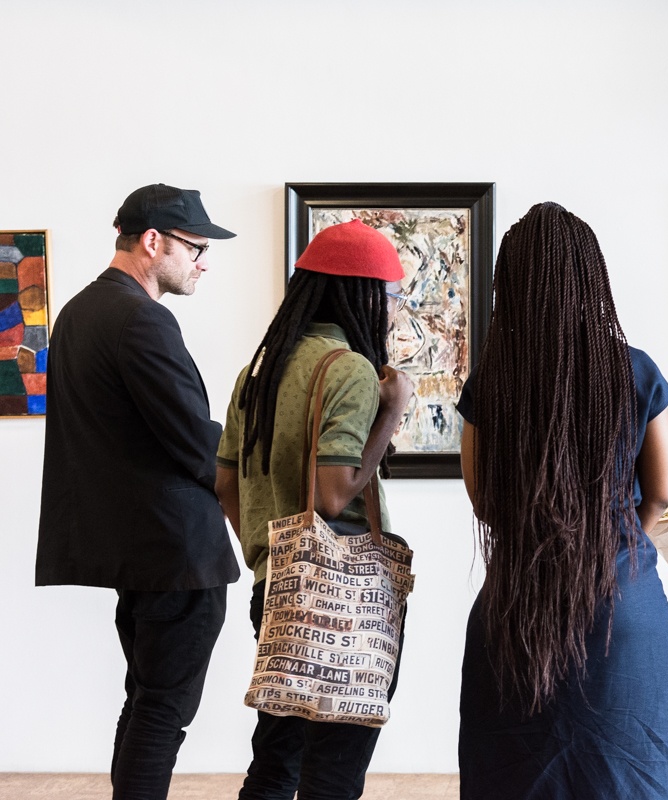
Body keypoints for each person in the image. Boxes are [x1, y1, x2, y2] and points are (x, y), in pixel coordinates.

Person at [456, 202, 668, 798]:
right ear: (591, 277)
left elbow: (483, 502)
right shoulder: (633, 372)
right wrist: (616, 532)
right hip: (621, 603)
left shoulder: (491, 381)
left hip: (517, 607)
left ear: (511, 284)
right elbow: (661, 491)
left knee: (511, 773)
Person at [35, 184, 240, 799]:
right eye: (196, 247)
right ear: (153, 241)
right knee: (161, 714)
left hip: (138, 554)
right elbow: (194, 441)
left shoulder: (79, 311)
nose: (204, 262)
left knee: (146, 704)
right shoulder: (141, 318)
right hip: (175, 555)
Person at [214, 219, 414, 799]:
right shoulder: (349, 368)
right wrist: (393, 411)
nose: (394, 309)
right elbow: (333, 493)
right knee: (334, 770)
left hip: (273, 586)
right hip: (342, 599)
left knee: (276, 760)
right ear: (364, 294)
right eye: (392, 296)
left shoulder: (258, 370)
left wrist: (271, 552)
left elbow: (226, 484)